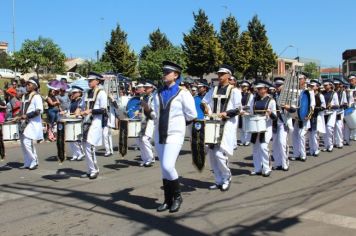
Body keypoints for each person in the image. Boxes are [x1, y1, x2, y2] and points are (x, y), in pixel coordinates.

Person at [143, 61, 197, 213]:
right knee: (164, 169)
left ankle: (178, 197)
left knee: (168, 165)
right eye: (164, 72)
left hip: (175, 135)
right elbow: (154, 115)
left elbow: (191, 115)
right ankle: (167, 199)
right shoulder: (157, 93)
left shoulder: (183, 93)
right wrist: (148, 111)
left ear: (176, 75)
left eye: (168, 72)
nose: (164, 74)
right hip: (160, 133)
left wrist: (179, 125)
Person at [202, 64, 242, 190]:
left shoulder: (234, 90)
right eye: (219, 74)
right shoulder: (213, 90)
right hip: (212, 123)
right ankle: (218, 180)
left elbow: (238, 108)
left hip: (226, 125)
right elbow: (204, 101)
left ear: (229, 76)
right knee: (212, 154)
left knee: (220, 153)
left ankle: (226, 177)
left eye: (222, 74)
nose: (219, 76)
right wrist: (207, 108)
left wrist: (226, 113)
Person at [76, 72, 107, 179]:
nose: (89, 82)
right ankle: (90, 169)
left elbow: (103, 110)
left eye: (91, 80)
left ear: (97, 81)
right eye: (88, 81)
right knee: (85, 146)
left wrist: (90, 111)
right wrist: (78, 110)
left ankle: (94, 169)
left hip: (95, 123)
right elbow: (81, 105)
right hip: (86, 122)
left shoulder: (102, 93)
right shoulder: (87, 92)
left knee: (89, 145)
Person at [246, 80, 277, 177]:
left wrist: (270, 113)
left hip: (266, 127)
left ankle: (267, 168)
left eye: (260, 89)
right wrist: (245, 114)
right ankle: (257, 168)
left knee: (263, 147)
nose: (258, 90)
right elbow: (251, 112)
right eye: (257, 89)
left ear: (265, 89)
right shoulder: (254, 99)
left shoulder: (271, 100)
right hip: (255, 126)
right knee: (255, 148)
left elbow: (275, 117)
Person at [17, 77, 44, 170]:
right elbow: (23, 109)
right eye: (27, 84)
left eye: (29, 84)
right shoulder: (24, 96)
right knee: (23, 143)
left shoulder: (36, 96)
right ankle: (27, 162)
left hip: (32, 122)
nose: (27, 85)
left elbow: (39, 110)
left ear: (35, 86)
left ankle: (34, 160)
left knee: (27, 142)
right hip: (24, 122)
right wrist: (19, 115)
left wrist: (27, 116)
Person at [271, 77, 295, 171]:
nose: (277, 87)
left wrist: (287, 107)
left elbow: (294, 109)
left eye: (279, 85)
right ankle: (278, 163)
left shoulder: (289, 96)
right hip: (274, 122)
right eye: (276, 85)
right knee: (275, 144)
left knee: (282, 143)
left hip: (283, 121)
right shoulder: (272, 95)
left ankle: (285, 163)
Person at [290, 73, 315, 161]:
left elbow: (312, 105)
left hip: (304, 117)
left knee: (301, 135)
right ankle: (296, 154)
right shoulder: (293, 91)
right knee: (294, 135)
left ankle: (303, 154)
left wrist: (308, 116)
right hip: (295, 116)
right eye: (298, 79)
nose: (299, 81)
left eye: (301, 79)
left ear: (304, 80)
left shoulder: (309, 92)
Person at [138, 80, 156, 167]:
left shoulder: (154, 98)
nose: (145, 89)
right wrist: (139, 111)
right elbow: (143, 109)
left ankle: (151, 158)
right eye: (144, 87)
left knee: (145, 139)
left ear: (152, 88)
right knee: (140, 140)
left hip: (151, 121)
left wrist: (145, 106)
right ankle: (145, 159)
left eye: (147, 87)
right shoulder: (144, 97)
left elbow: (152, 111)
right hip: (144, 120)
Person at [308, 80, 326, 157]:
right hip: (309, 115)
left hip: (316, 115)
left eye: (313, 86)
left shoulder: (320, 95)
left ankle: (316, 149)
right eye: (311, 86)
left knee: (315, 133)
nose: (311, 87)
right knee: (310, 133)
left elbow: (323, 106)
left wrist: (315, 109)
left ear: (317, 87)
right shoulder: (308, 95)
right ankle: (311, 149)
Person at [68, 86, 85, 161]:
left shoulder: (81, 100)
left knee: (76, 138)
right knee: (70, 138)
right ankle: (75, 153)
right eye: (72, 93)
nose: (73, 94)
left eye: (75, 92)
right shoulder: (72, 101)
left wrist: (76, 113)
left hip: (78, 119)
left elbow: (80, 110)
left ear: (79, 93)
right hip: (71, 119)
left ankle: (81, 153)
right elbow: (69, 110)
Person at [322, 79, 339, 152]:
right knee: (324, 130)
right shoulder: (322, 93)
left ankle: (330, 145)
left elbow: (337, 105)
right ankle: (326, 145)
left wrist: (331, 106)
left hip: (332, 113)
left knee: (329, 128)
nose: (325, 87)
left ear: (330, 85)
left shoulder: (334, 93)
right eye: (324, 85)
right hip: (324, 112)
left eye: (326, 85)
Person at [333, 78, 348, 149]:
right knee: (334, 127)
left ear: (339, 85)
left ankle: (340, 142)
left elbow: (345, 102)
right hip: (333, 111)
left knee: (339, 126)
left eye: (337, 84)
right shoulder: (333, 92)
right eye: (335, 84)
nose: (336, 86)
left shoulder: (343, 92)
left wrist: (341, 106)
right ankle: (335, 142)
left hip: (340, 111)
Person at [238, 80, 253, 146]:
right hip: (240, 112)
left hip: (247, 112)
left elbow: (250, 105)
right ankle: (242, 140)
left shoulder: (250, 95)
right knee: (241, 127)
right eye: (242, 86)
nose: (242, 87)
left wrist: (243, 108)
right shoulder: (240, 94)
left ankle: (247, 140)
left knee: (247, 127)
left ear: (247, 87)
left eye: (244, 86)